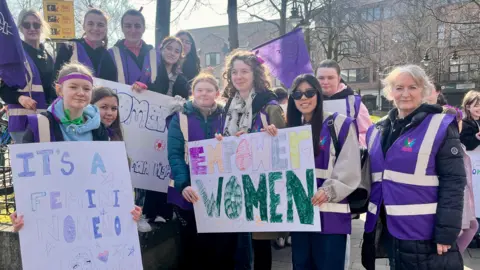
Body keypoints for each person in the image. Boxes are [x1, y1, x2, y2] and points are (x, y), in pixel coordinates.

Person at [10, 62, 142, 230]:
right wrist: (19, 210)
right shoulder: (40, 125)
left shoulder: (99, 130)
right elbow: (26, 177)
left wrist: (126, 208)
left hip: (90, 215)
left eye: (87, 89)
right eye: (73, 87)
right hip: (53, 216)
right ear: (59, 90)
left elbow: (109, 178)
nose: (81, 93)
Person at [361, 65, 465, 270]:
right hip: (390, 230)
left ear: (424, 90)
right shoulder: (378, 129)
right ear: (390, 92)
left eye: (413, 87)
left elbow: (453, 183)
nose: (405, 94)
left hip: (425, 233)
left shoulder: (440, 125)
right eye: (399, 88)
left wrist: (446, 233)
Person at [218, 49, 286, 270]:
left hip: (261, 187)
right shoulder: (229, 107)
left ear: (255, 73)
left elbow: (283, 148)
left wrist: (262, 137)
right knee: (237, 247)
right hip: (235, 185)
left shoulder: (270, 106)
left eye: (244, 71)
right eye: (234, 72)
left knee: (260, 247)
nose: (238, 76)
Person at [286, 74, 361, 270]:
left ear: (318, 94)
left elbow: (349, 168)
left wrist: (328, 191)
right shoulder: (290, 130)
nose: (303, 98)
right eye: (298, 94)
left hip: (330, 215)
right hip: (301, 217)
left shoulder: (340, 124)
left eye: (309, 92)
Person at [167, 72, 238, 269]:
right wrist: (184, 185)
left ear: (217, 93)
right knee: (191, 247)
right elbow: (174, 154)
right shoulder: (179, 117)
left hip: (220, 193)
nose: (204, 94)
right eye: (199, 90)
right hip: (189, 192)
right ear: (193, 92)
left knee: (221, 248)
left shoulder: (228, 116)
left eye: (209, 90)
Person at [91, 87, 153, 232]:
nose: (110, 113)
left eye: (114, 108)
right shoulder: (86, 134)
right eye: (103, 107)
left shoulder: (115, 135)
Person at [0, 9, 56, 144]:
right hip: (22, 123)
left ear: (41, 27)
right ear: (20, 27)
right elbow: (2, 89)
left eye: (36, 25)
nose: (32, 28)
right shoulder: (15, 55)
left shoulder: (48, 56)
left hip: (46, 120)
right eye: (27, 25)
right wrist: (19, 98)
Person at [316, 59, 372, 147]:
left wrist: (350, 142)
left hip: (346, 156)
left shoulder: (353, 102)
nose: (325, 82)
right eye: (321, 78)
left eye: (330, 78)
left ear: (339, 79)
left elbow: (368, 133)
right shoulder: (309, 100)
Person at [54, 8, 116, 81]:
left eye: (100, 25)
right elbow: (56, 82)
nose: (95, 28)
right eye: (90, 24)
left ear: (106, 29)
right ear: (84, 26)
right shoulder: (69, 49)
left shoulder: (110, 56)